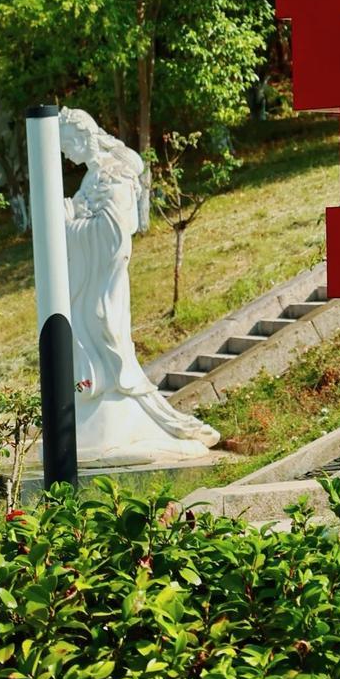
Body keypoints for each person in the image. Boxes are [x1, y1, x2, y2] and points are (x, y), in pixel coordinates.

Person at [57, 108, 220, 465]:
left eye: (67, 144)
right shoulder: (91, 177)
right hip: (88, 276)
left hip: (105, 277)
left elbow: (114, 233)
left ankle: (117, 397)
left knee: (104, 324)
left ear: (83, 136)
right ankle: (95, 396)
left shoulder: (114, 172)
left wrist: (69, 226)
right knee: (85, 329)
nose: (66, 154)